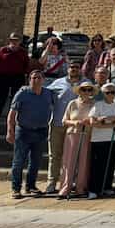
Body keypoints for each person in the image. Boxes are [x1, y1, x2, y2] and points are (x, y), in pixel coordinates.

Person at [6, 70, 54, 198]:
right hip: (23, 131)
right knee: (19, 161)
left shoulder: (48, 93)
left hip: (41, 131)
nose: (36, 80)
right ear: (29, 80)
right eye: (33, 78)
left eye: (38, 78)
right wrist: (10, 131)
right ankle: (16, 188)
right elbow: (12, 114)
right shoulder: (22, 93)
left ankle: (31, 186)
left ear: (43, 80)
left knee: (35, 161)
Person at [46, 60, 81, 193]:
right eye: (71, 67)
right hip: (57, 124)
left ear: (80, 69)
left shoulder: (85, 84)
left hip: (74, 126)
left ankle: (71, 181)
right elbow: (45, 95)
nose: (74, 69)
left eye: (76, 67)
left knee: (74, 156)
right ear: (67, 69)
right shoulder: (58, 83)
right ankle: (52, 182)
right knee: (55, 155)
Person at [58, 81, 95, 198]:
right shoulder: (72, 103)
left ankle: (80, 188)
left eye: (89, 90)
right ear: (80, 91)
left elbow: (95, 119)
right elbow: (64, 121)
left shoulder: (94, 104)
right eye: (84, 89)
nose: (86, 92)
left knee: (84, 162)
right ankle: (65, 188)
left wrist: (89, 121)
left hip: (86, 135)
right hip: (72, 135)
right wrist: (75, 122)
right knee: (68, 162)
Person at [87, 83, 115, 199]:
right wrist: (109, 124)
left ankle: (107, 187)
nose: (111, 95)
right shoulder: (98, 105)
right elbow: (93, 121)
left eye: (113, 92)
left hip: (113, 138)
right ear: (103, 94)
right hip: (98, 139)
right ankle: (94, 189)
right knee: (97, 165)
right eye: (108, 92)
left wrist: (106, 119)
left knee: (110, 163)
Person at [0, 32, 29, 116]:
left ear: (20, 41)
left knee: (16, 97)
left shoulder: (23, 52)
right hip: (3, 77)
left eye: (16, 40)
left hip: (17, 77)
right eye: (12, 40)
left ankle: (13, 117)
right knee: (1, 97)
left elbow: (26, 65)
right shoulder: (3, 50)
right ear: (9, 40)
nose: (14, 42)